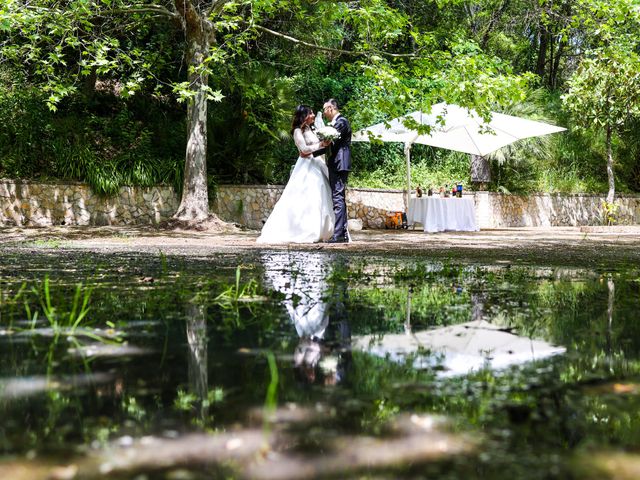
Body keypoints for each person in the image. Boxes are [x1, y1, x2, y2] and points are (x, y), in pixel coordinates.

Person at [257, 105, 335, 244]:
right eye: (310, 113)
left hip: (317, 163)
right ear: (304, 115)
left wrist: (325, 143)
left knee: (321, 196)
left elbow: (314, 146)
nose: (312, 115)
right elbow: (304, 150)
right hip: (306, 166)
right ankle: (303, 230)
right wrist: (321, 144)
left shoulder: (310, 129)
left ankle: (324, 230)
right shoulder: (297, 131)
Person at [322, 99, 352, 243]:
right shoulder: (337, 122)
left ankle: (339, 233)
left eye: (324, 109)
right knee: (339, 197)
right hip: (337, 162)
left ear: (331, 108)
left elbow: (331, 138)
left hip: (339, 163)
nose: (323, 113)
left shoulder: (341, 122)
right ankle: (343, 232)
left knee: (338, 197)